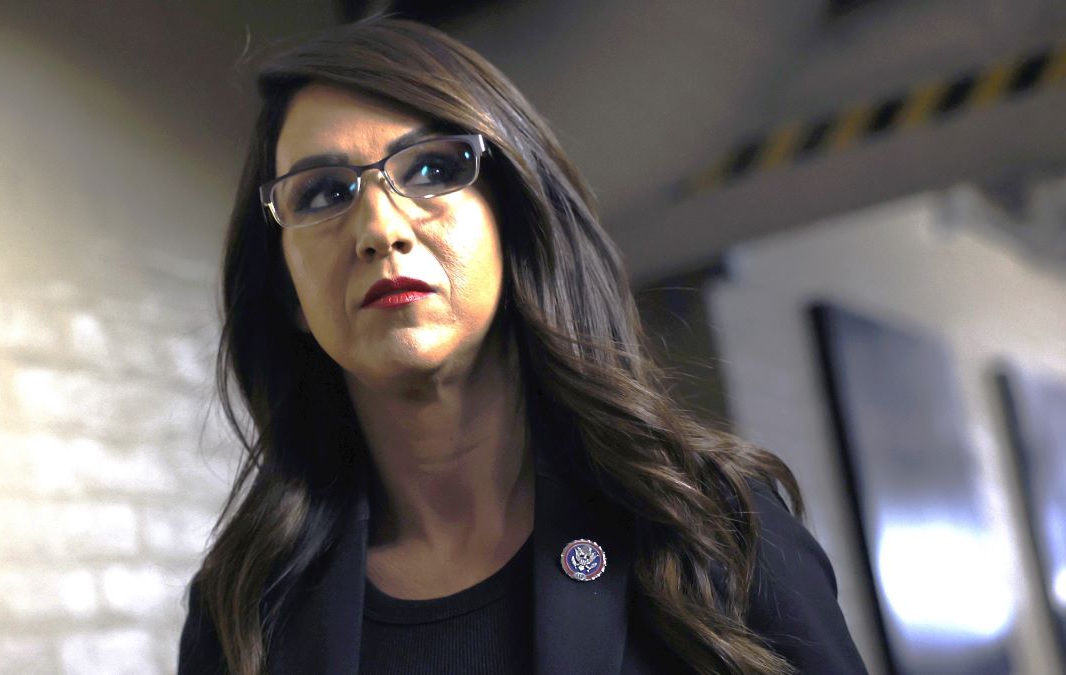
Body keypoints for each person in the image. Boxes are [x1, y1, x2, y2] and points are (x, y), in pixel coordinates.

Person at [178, 17, 867, 675]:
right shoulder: (241, 610)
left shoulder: (710, 525)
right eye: (325, 191)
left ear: (514, 223)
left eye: (428, 171)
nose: (379, 228)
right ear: (290, 292)